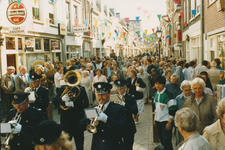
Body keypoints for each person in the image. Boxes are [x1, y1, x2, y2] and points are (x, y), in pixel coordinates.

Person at [81, 82, 126, 150]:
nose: (100, 97)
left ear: (109, 93)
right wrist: (88, 119)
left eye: (103, 94)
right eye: (98, 94)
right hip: (98, 146)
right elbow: (80, 127)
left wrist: (106, 119)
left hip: (113, 146)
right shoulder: (93, 108)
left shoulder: (118, 108)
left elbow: (122, 129)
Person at [53, 70, 89, 150]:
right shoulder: (63, 89)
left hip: (78, 120)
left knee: (79, 145)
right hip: (66, 121)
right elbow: (55, 101)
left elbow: (86, 103)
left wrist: (74, 104)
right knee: (65, 145)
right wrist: (61, 100)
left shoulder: (81, 89)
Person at [153, 76, 177, 150]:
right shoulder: (156, 93)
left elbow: (172, 109)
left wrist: (170, 122)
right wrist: (155, 118)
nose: (158, 85)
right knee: (162, 141)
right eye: (156, 83)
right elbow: (156, 107)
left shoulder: (168, 94)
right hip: (158, 121)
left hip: (166, 122)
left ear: (164, 84)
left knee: (167, 141)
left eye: (160, 84)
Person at [114, 79, 138, 150]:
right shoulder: (114, 98)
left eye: (121, 87)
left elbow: (135, 111)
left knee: (128, 147)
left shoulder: (130, 97)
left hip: (128, 126)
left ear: (125, 87)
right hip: (118, 126)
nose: (119, 89)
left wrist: (125, 104)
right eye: (118, 87)